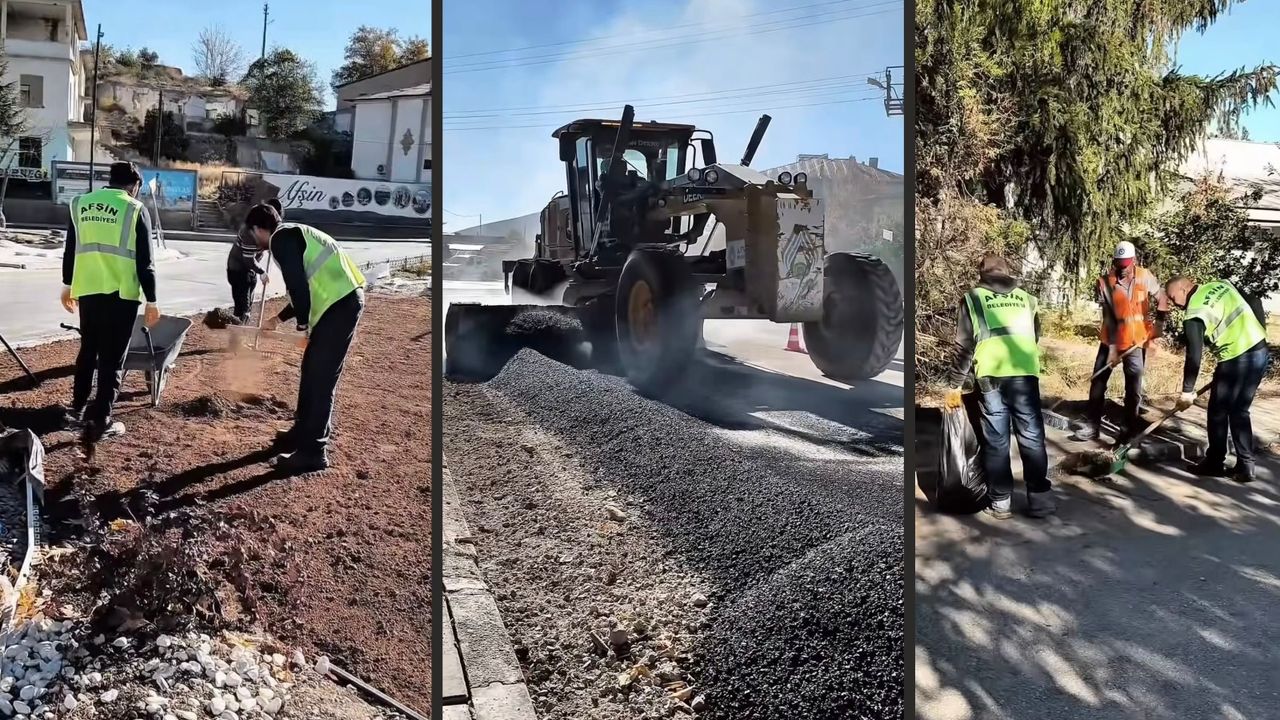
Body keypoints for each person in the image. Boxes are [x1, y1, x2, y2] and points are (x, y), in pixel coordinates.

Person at [242, 204, 366, 473]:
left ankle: (314, 451)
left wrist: (301, 325)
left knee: (321, 378)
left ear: (259, 229)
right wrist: (278, 320)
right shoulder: (293, 235)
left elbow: (297, 285)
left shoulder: (282, 239)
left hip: (340, 305)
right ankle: (302, 431)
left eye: (253, 233)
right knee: (311, 370)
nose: (255, 240)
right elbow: (305, 287)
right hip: (339, 303)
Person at [944, 254, 1054, 519]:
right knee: (1032, 437)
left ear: (982, 274)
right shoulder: (1028, 300)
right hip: (1025, 375)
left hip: (991, 377)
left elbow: (964, 346)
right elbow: (1034, 336)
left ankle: (1001, 503)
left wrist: (954, 384)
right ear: (1007, 273)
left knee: (996, 440)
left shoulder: (973, 298)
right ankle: (1039, 500)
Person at [60, 161, 162, 445]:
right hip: (120, 295)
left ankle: (76, 409)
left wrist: (68, 284)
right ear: (135, 186)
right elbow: (146, 264)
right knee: (111, 359)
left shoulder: (80, 203)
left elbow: (71, 248)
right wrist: (152, 300)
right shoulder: (135, 209)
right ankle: (101, 420)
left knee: (88, 349)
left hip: (88, 292)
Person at [1165, 276, 1269, 483]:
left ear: (1183, 289)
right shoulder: (1220, 285)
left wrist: (1187, 391)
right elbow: (1255, 302)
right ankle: (1246, 466)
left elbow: (1194, 355)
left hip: (1235, 358)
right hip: (1259, 351)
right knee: (1239, 410)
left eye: (1172, 297)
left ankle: (1214, 462)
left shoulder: (1194, 313)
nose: (1172, 303)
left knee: (1217, 412)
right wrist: (1260, 336)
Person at [1074, 241, 1169, 442]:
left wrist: (1159, 324)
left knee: (1133, 389)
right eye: (1119, 263)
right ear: (1114, 261)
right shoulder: (1104, 282)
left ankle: (1128, 430)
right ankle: (1092, 425)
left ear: (1133, 260)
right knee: (1098, 381)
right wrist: (1113, 350)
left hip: (1137, 341)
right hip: (1110, 340)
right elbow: (1109, 316)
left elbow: (1162, 298)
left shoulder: (1145, 276)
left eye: (1126, 264)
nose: (1122, 268)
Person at [226, 199, 283, 324]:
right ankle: (236, 335)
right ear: (257, 228)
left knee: (250, 295)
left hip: (250, 269)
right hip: (238, 269)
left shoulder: (264, 230)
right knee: (242, 305)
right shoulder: (248, 234)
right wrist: (261, 271)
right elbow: (248, 259)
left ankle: (242, 323)